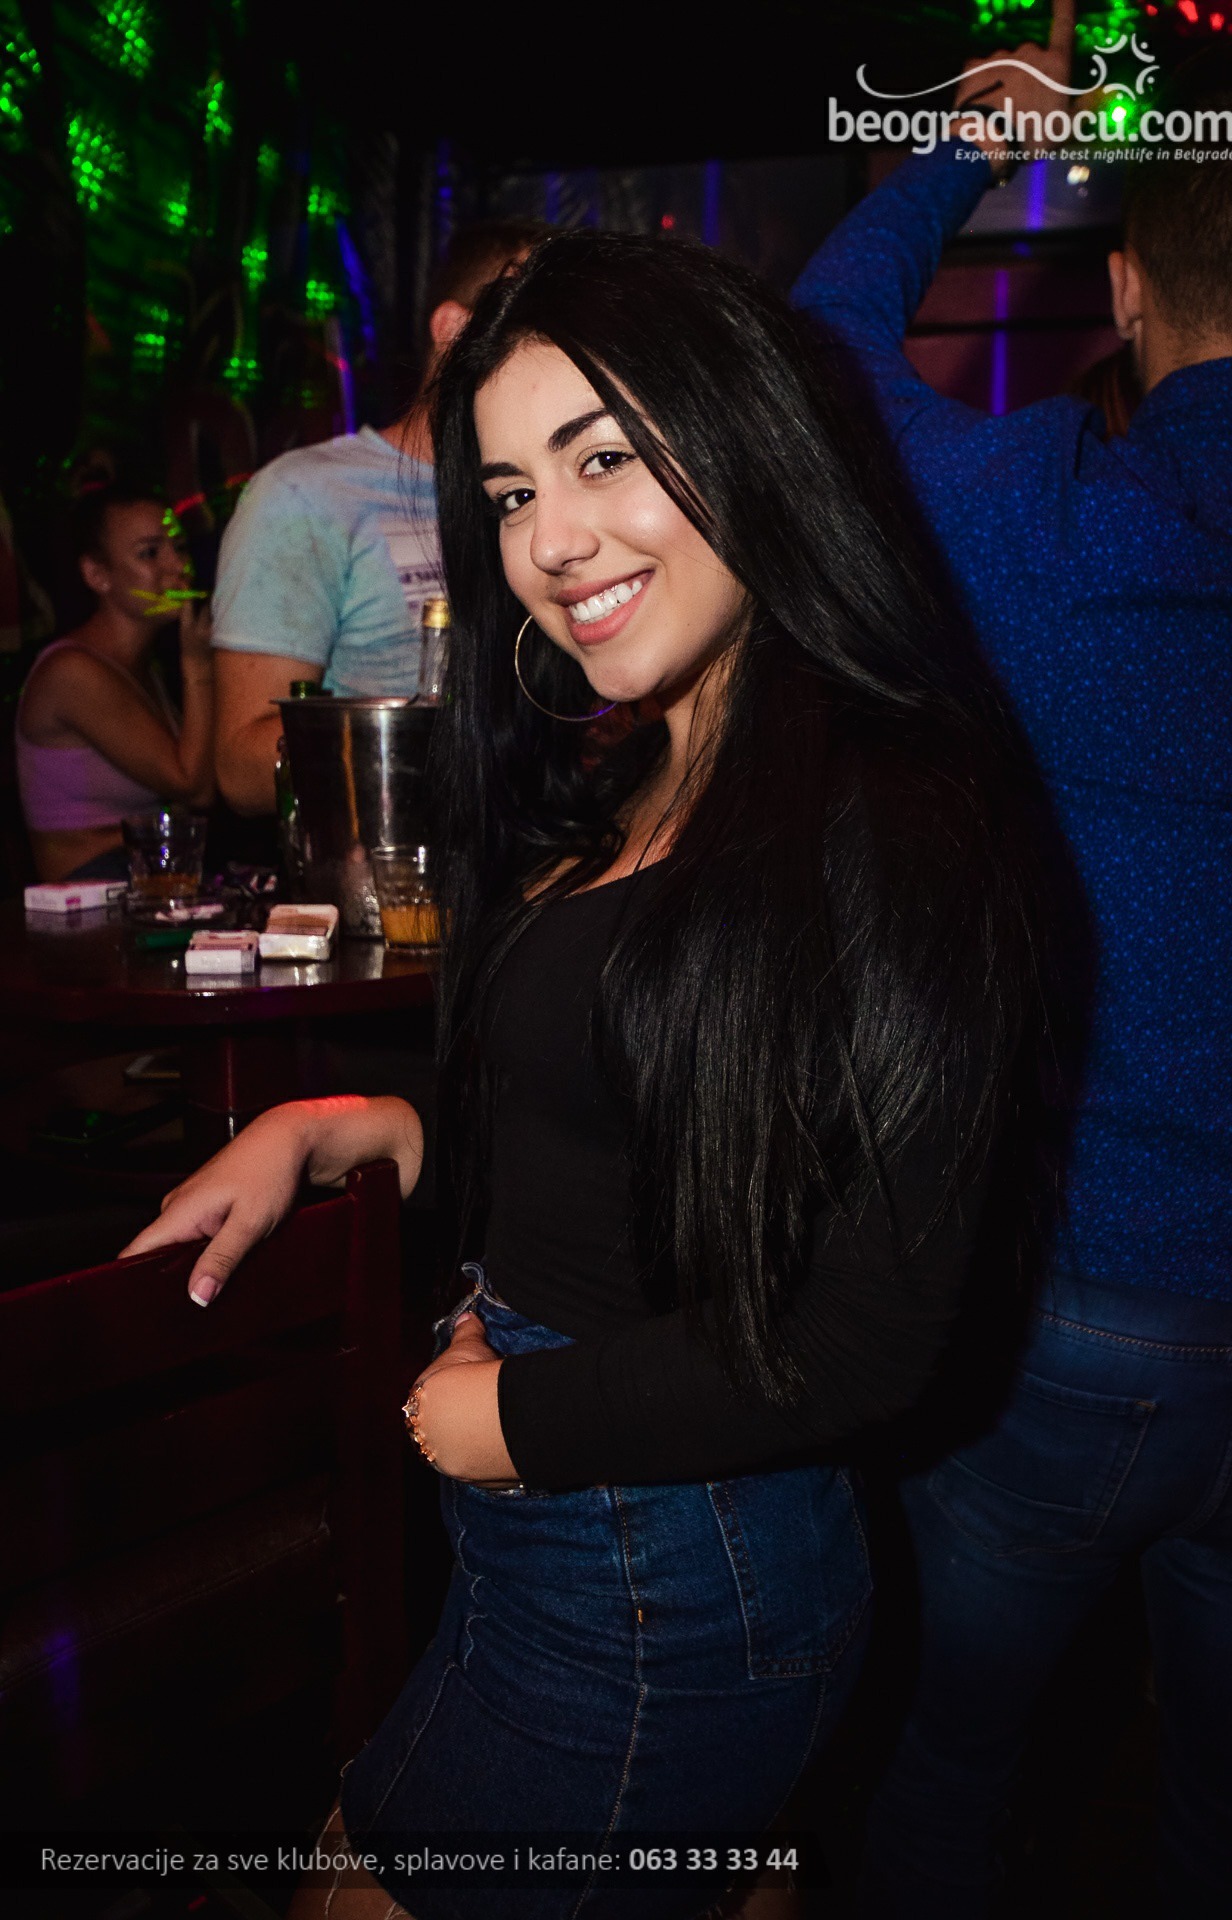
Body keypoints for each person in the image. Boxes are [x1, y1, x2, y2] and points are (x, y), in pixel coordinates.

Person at [123, 224, 1043, 1920]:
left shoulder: (895, 816)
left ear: (750, 437)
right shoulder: (655, 772)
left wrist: (504, 1425)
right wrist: (356, 1126)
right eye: (507, 492)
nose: (548, 540)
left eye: (602, 458)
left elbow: (872, 1335)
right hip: (616, 1547)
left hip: (653, 1572)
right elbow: (637, 1131)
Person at [791, 9, 1232, 1915]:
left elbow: (819, 351)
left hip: (1081, 1314)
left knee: (941, 1774)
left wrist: (982, 142)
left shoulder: (1044, 527)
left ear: (1128, 287)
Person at [211, 219, 549, 816]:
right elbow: (241, 769)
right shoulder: (308, 494)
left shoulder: (550, 500)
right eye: (535, 328)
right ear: (454, 330)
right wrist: (449, 734)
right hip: (383, 863)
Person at [16, 485, 214, 882]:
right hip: (87, 890)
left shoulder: (143, 667)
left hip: (145, 873)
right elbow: (193, 785)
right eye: (150, 553)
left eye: (179, 547)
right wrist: (198, 663)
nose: (178, 565)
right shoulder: (72, 671)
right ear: (98, 575)